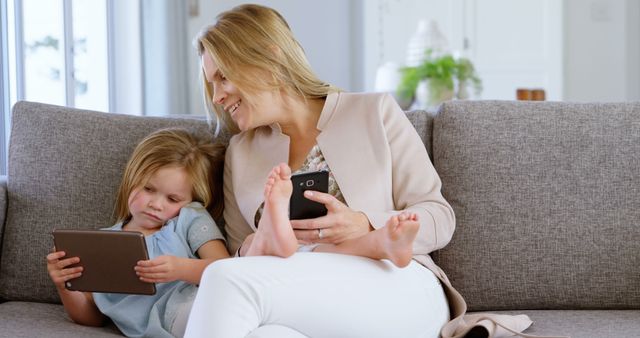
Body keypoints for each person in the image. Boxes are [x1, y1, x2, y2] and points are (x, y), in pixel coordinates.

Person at [186, 4, 455, 338]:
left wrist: (364, 223)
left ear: (270, 59)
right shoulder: (240, 153)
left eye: (222, 77)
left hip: (397, 287)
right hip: (303, 299)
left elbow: (440, 217)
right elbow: (239, 255)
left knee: (222, 280)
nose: (216, 97)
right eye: (211, 84)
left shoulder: (374, 112)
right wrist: (259, 241)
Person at [46, 128, 229, 338]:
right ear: (132, 180)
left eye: (172, 199)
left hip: (196, 305)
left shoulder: (188, 218)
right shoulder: (101, 244)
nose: (156, 205)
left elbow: (225, 269)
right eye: (148, 189)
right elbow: (91, 317)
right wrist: (64, 285)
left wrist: (182, 268)